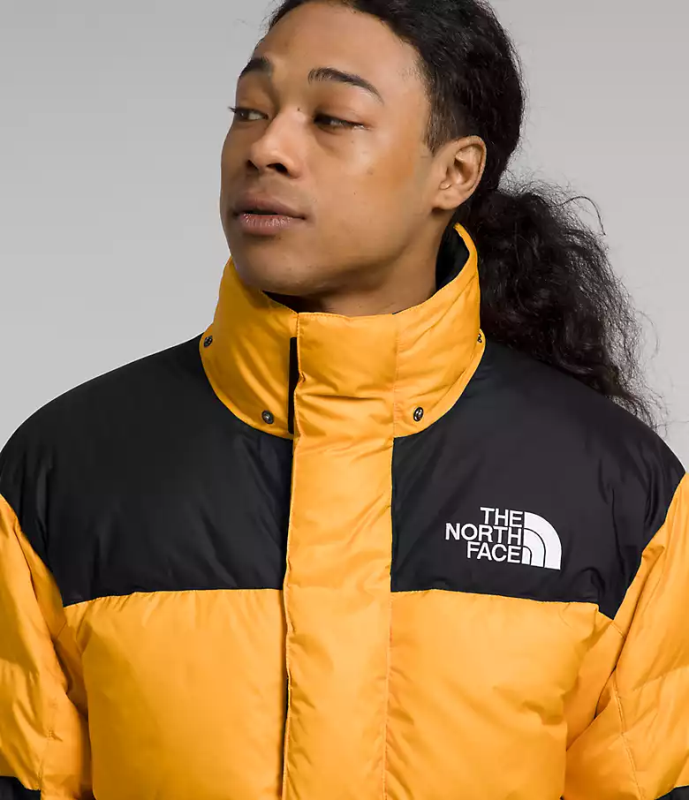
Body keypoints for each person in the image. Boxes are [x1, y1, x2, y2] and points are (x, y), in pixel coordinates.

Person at [0, 0, 687, 797]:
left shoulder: (612, 487)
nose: (266, 147)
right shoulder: (67, 468)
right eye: (249, 111)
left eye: (332, 118)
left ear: (454, 173)